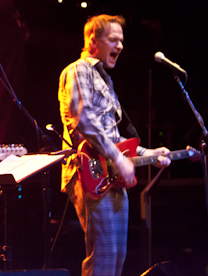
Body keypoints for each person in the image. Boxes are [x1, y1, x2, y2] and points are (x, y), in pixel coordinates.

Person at [58, 14, 171, 276]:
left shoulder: (107, 81)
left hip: (110, 174)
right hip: (89, 172)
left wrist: (148, 153)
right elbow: (83, 120)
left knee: (116, 258)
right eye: (113, 40)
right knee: (104, 260)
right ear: (92, 40)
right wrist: (118, 159)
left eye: (121, 40)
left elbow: (114, 137)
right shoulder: (79, 70)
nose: (120, 46)